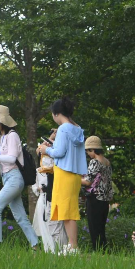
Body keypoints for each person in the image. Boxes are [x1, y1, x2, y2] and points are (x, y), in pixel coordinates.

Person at [0, 105, 39, 251]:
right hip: (7, 178)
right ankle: (36, 247)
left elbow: (11, 159)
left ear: (4, 121)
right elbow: (0, 161)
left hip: (15, 178)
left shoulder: (12, 136)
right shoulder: (2, 137)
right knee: (20, 216)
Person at [37, 97, 87, 255]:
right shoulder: (77, 129)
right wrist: (53, 146)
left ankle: (73, 246)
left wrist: (45, 150)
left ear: (56, 113)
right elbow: (65, 150)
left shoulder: (63, 129)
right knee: (67, 210)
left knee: (67, 212)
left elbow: (59, 152)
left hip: (64, 173)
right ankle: (72, 245)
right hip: (74, 175)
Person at [82, 135, 114, 250]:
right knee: (101, 227)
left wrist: (75, 179)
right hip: (105, 199)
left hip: (94, 198)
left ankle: (97, 251)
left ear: (93, 149)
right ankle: (103, 250)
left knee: (94, 228)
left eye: (88, 151)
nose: (87, 153)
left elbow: (88, 182)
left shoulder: (94, 162)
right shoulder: (107, 162)